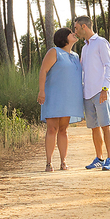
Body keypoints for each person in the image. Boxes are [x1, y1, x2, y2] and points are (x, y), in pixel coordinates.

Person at [37, 27, 84, 171]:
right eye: (71, 33)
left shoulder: (75, 56)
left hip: (69, 97)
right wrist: (41, 91)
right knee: (52, 129)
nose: (74, 34)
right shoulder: (54, 52)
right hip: (53, 96)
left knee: (63, 129)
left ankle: (63, 161)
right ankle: (49, 162)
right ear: (64, 38)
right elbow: (43, 71)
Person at [74, 16, 110, 170]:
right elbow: (82, 71)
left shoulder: (101, 43)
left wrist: (105, 88)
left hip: (100, 91)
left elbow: (109, 66)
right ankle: (99, 158)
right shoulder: (84, 48)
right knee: (94, 128)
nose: (75, 31)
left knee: (106, 125)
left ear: (84, 26)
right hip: (87, 93)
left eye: (76, 28)